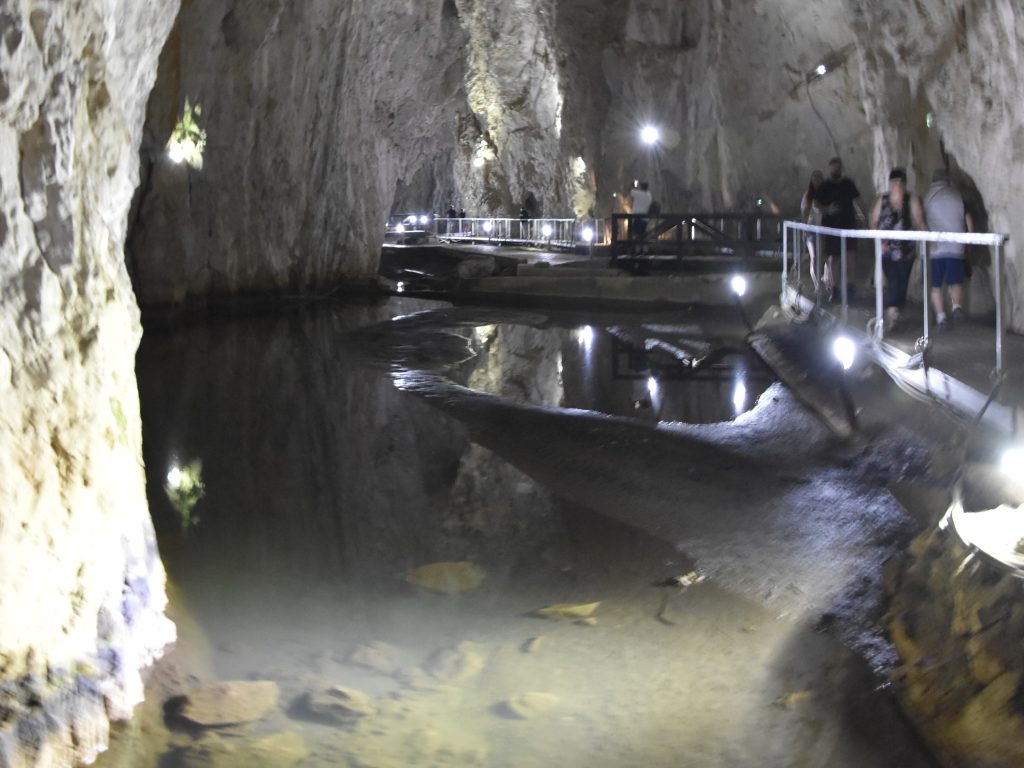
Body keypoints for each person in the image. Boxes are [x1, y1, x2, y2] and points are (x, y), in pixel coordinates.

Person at [869, 167, 928, 331]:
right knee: (894, 280)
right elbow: (874, 221)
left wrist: (927, 239)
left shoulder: (912, 199)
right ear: (890, 183)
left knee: (901, 283)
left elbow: (919, 220)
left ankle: (893, 313)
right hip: (887, 251)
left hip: (906, 252)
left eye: (900, 182)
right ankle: (891, 316)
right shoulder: (883, 200)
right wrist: (879, 239)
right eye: (894, 182)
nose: (897, 185)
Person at [924, 168, 974, 330]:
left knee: (936, 285)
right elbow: (969, 220)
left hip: (935, 248)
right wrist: (969, 240)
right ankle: (956, 306)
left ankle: (941, 317)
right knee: (955, 280)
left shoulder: (927, 197)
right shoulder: (957, 196)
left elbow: (921, 221)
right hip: (956, 245)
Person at [815, 157, 866, 301]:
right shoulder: (824, 186)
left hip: (848, 225)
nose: (836, 170)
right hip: (832, 227)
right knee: (834, 259)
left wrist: (864, 217)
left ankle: (850, 288)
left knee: (851, 257)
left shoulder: (848, 184)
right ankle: (835, 289)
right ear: (830, 168)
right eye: (834, 168)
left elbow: (858, 200)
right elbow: (816, 204)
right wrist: (827, 209)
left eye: (838, 168)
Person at [800, 170, 825, 291]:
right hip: (811, 230)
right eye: (814, 179)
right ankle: (817, 284)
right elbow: (804, 212)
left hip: (823, 229)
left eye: (818, 178)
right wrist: (804, 229)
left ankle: (824, 280)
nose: (816, 181)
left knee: (823, 258)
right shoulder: (808, 196)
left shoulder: (827, 194)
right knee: (814, 257)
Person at [629, 181, 653, 251]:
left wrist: (632, 185)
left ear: (641, 187)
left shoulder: (638, 194)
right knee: (643, 234)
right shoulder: (649, 195)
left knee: (636, 234)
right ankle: (645, 250)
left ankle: (638, 250)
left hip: (638, 217)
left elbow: (630, 191)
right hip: (645, 218)